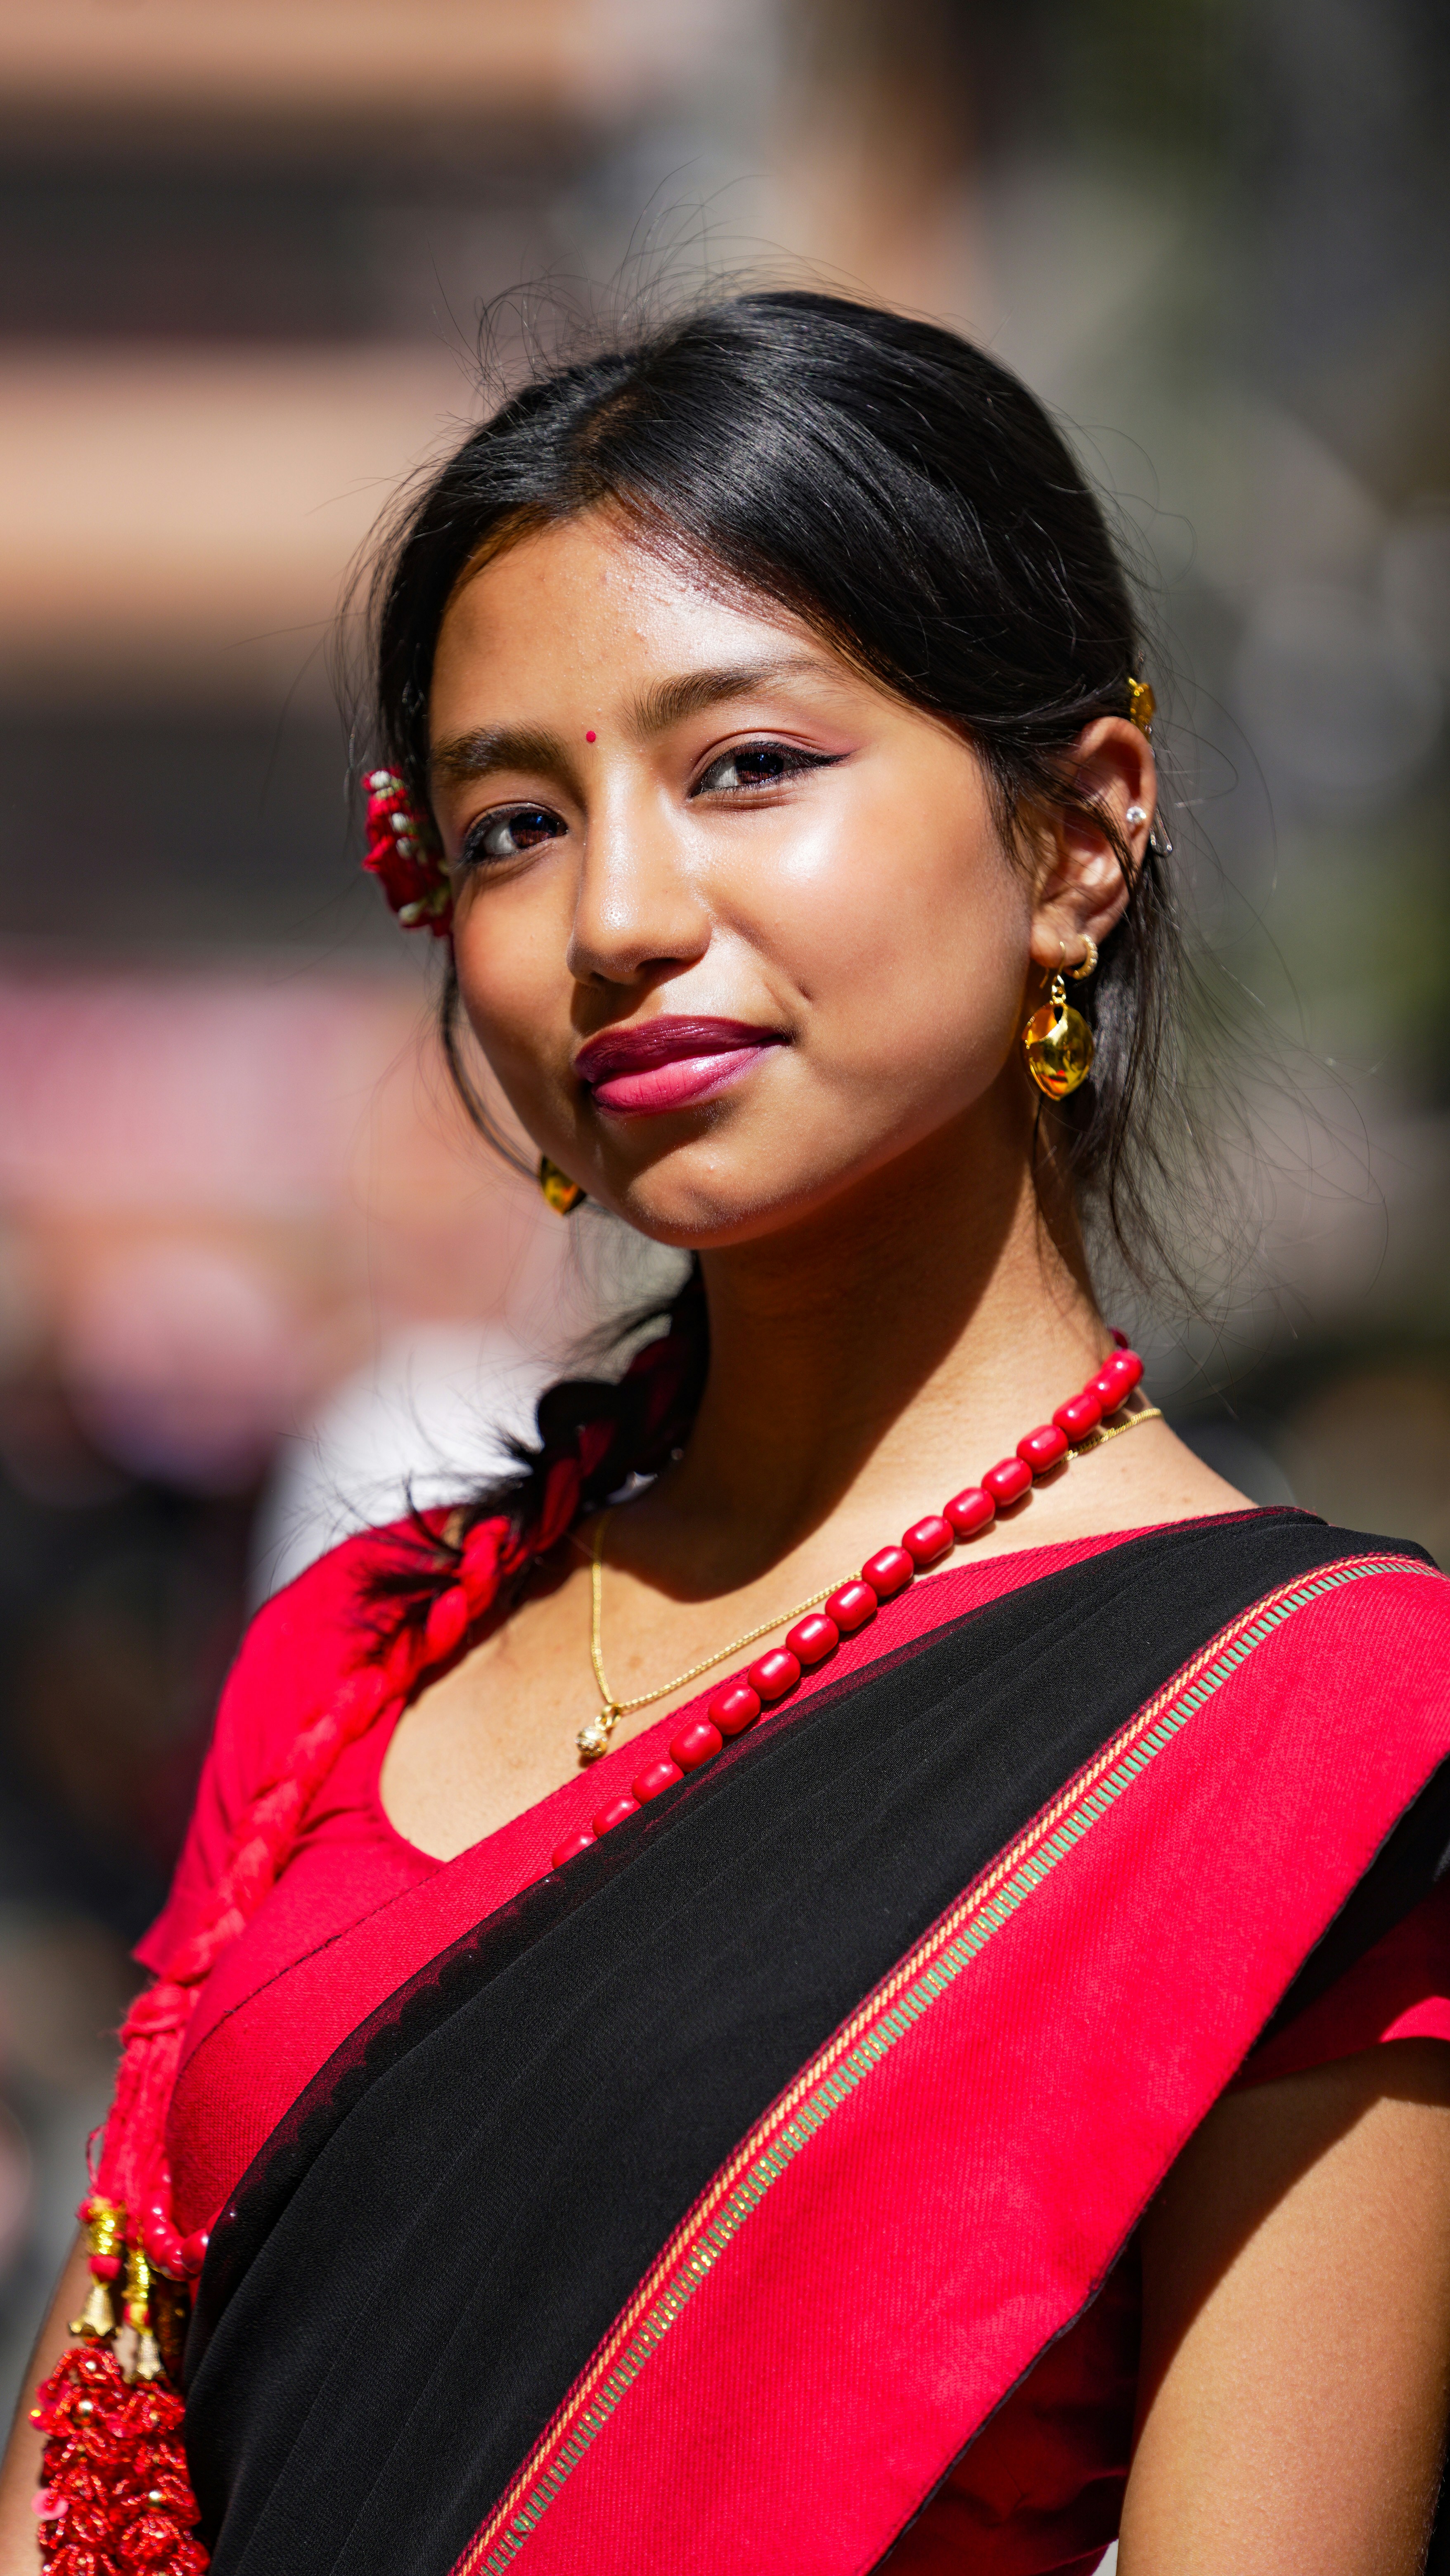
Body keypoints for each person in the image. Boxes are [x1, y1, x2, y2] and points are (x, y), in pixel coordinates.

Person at [4, 291, 1448, 2576]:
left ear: (1077, 834)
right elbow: (95, 2467)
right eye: (504, 823)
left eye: (747, 765)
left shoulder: (1313, 1728)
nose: (616, 914)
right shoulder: (348, 1664)